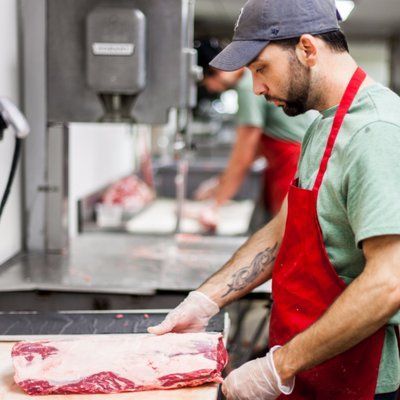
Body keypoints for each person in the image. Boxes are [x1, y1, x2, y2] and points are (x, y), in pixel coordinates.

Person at [149, 0, 400, 398]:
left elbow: (389, 281)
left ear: (307, 49)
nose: (257, 88)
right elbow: (281, 233)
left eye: (261, 68)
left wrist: (276, 367)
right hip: (308, 366)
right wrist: (205, 300)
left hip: (358, 380)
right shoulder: (322, 127)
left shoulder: (377, 132)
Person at [194, 40, 316, 220]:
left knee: (288, 232)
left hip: (292, 166)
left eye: (206, 83)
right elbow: (254, 152)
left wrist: (215, 206)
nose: (210, 89)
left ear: (214, 72)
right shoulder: (250, 81)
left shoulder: (247, 87)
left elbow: (244, 154)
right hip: (287, 164)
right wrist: (219, 183)